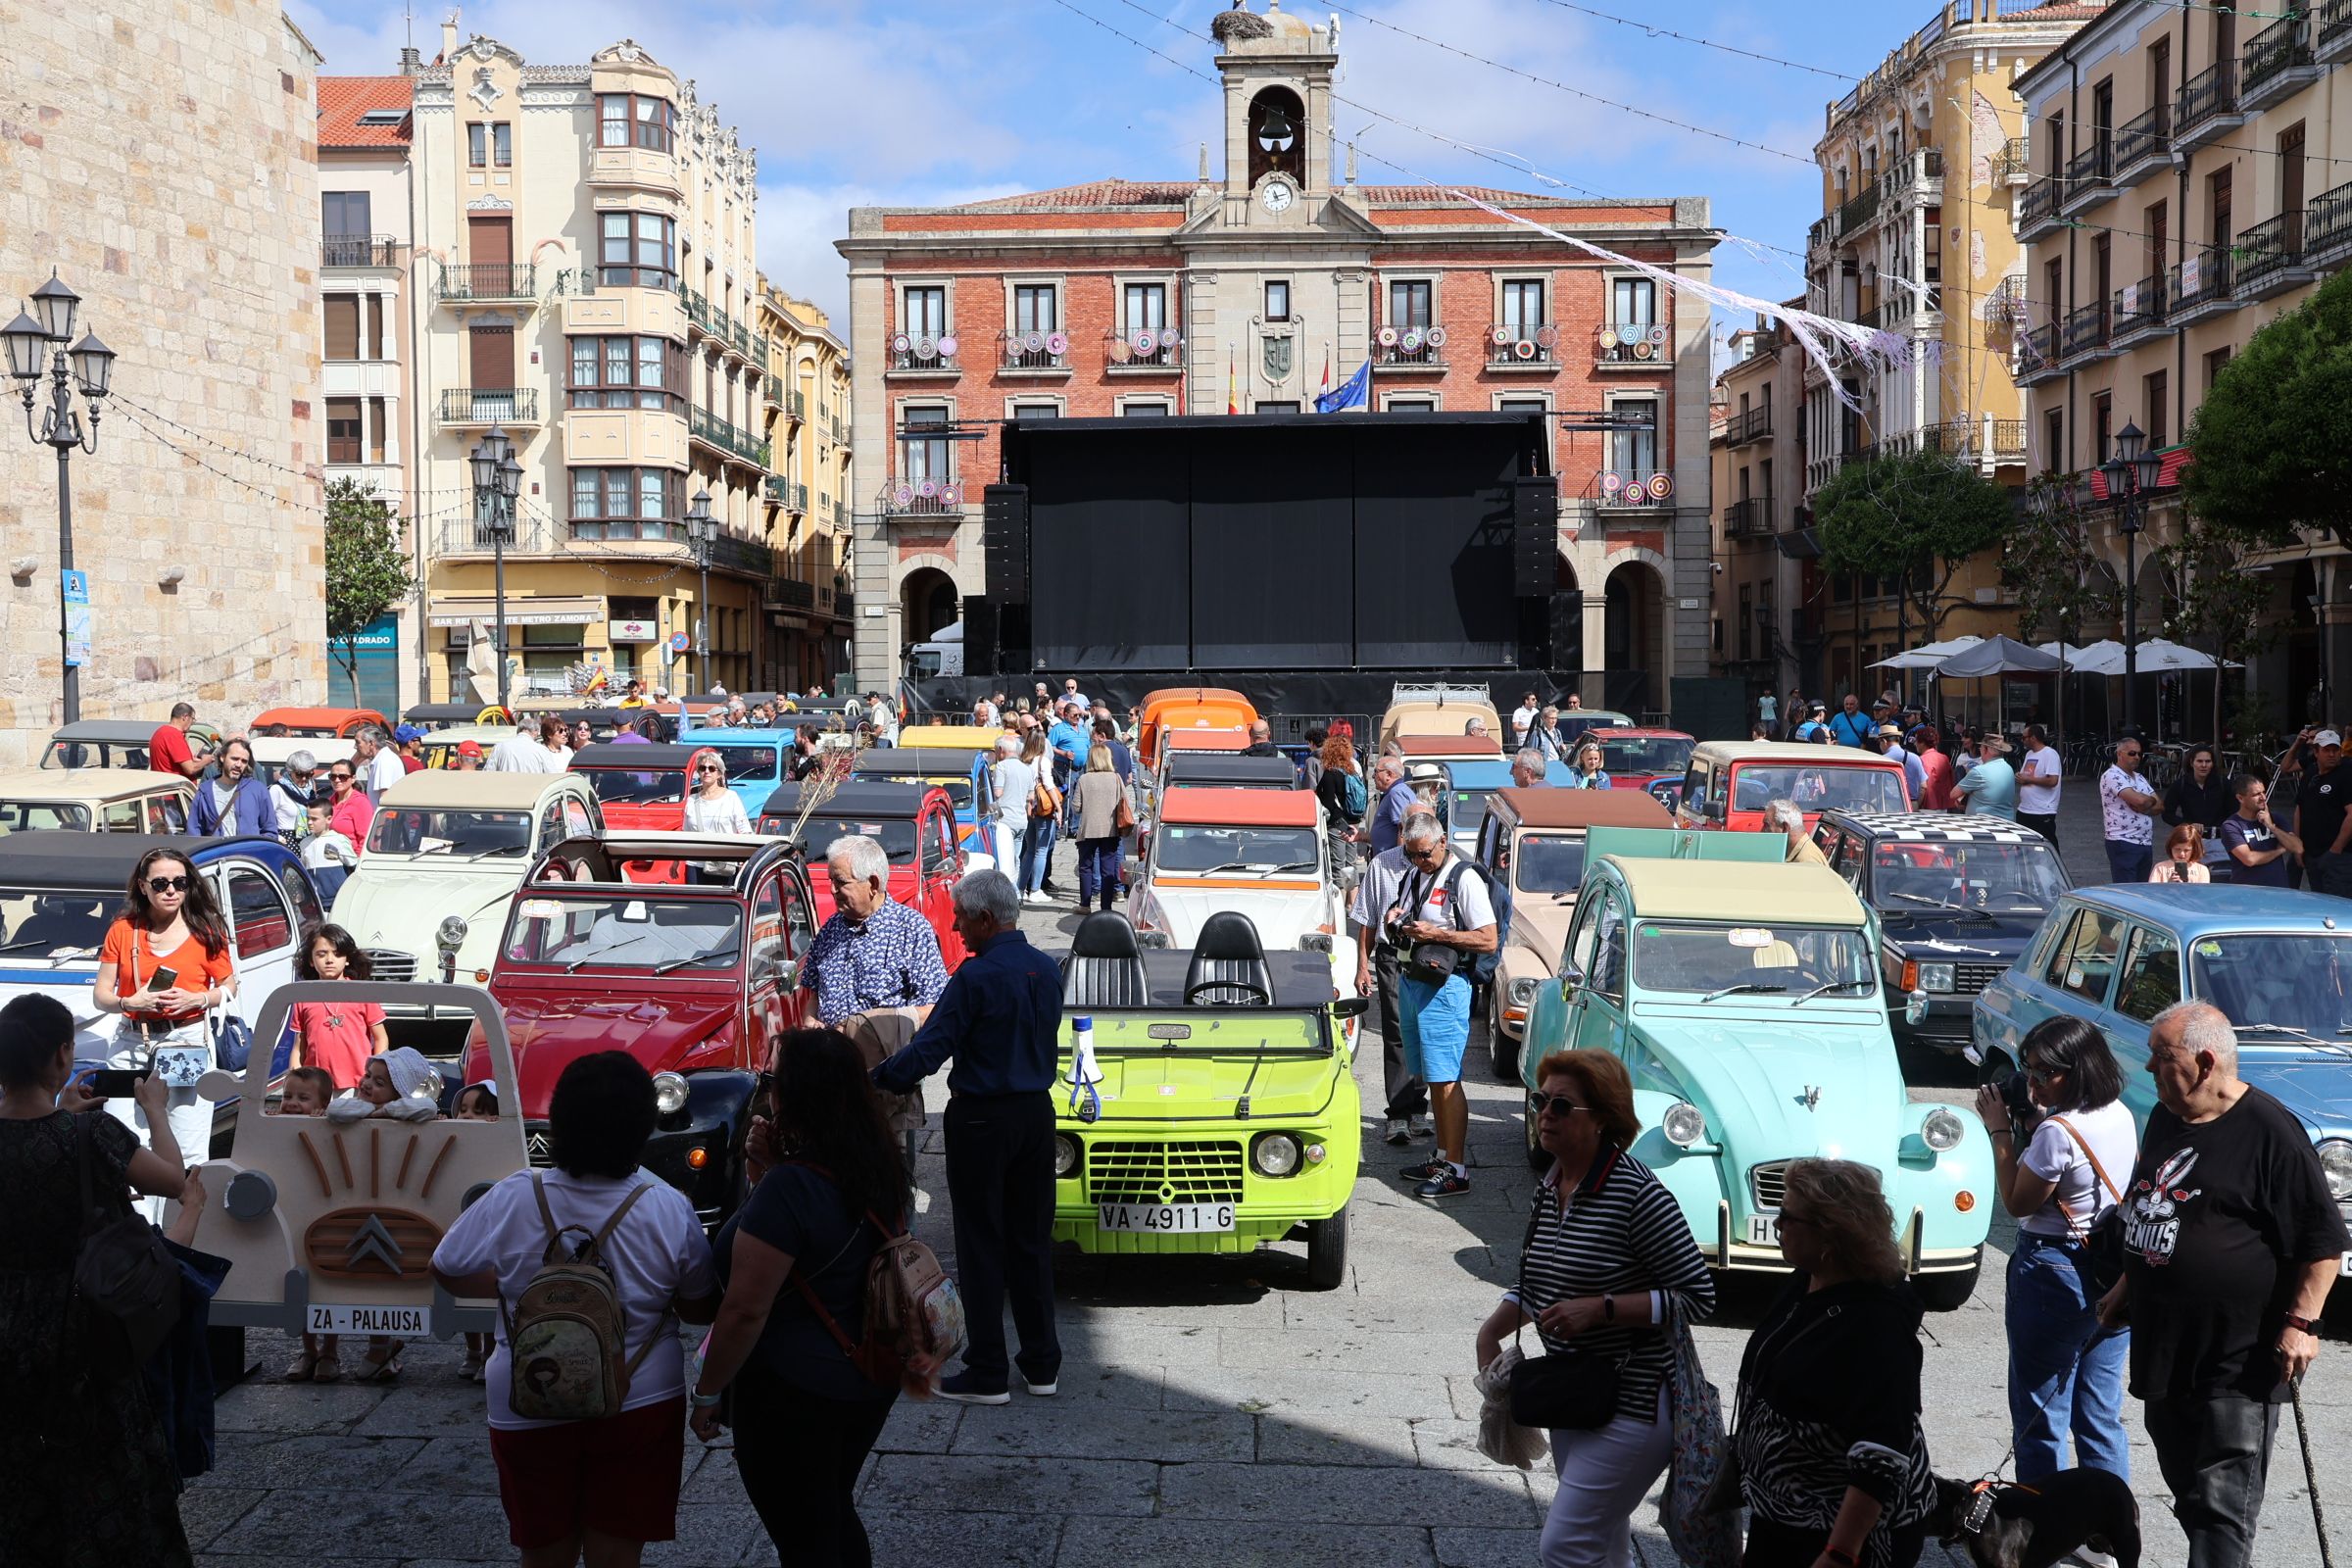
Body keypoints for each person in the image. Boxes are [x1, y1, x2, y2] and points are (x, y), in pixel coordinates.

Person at [432, 1053, 719, 1568]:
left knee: (542, 1554)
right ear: (642, 1124)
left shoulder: (516, 1194)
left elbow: (447, 1267)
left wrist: (514, 1287)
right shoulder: (666, 1204)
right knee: (616, 1556)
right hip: (638, 1397)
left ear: (561, 1119)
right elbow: (699, 1308)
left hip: (526, 1394)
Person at [2098, 1004, 2347, 1568]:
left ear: (2205, 1062)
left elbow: (2322, 1241)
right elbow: (2155, 1209)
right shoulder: (2168, 1116)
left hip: (2238, 1361)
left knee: (2221, 1510)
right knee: (2190, 1495)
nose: (2149, 1071)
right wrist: (2128, 1283)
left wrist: (2302, 1323)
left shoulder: (2271, 1132)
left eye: (2162, 1059)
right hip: (2165, 1349)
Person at [1475, 1050, 1714, 1568]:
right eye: (1541, 1101)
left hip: (1635, 1402)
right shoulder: (1552, 1185)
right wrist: (1494, 1326)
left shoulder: (1639, 1195)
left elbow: (1698, 1296)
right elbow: (1541, 1275)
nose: (1544, 1114)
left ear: (1603, 1119)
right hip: (1574, 1395)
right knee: (1601, 1543)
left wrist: (1601, 1310)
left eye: (1562, 1106)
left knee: (1564, 1546)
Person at [692, 1030, 915, 1565]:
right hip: (864, 1376)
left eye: (772, 1081)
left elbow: (746, 1308)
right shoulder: (879, 1167)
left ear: (796, 1096)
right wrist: (766, 1173)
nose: (767, 1091)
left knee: (805, 1534)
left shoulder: (790, 1188)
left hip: (792, 1392)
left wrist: (707, 1392)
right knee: (831, 1513)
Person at [0, 992, 195, 1568]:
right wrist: (155, 1110)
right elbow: (175, 1180)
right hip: (82, 1328)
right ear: (63, 1056)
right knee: (102, 1468)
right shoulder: (92, 1138)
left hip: (6, 1322)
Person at [872, 870, 1062, 1403]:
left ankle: (987, 1369)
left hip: (982, 1120)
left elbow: (928, 1051)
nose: (954, 927)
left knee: (981, 1243)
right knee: (1030, 1241)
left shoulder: (974, 979)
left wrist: (878, 1077)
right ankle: (1042, 1363)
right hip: (1034, 1115)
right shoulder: (1047, 970)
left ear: (985, 918)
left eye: (960, 917)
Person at [1733, 1158, 1939, 1568]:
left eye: (1787, 1216)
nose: (1776, 1225)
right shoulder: (1806, 1280)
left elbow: (1881, 1452)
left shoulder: (1876, 1326)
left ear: (1831, 1232)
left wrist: (1841, 1552)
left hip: (1843, 1534)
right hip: (1784, 1514)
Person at [1972, 1016, 2136, 1484]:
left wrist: (2001, 1132)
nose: (2033, 1083)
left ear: (2079, 1069)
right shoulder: (2119, 1113)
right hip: (2109, 1269)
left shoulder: (2057, 1133)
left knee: (2040, 1413)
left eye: (2047, 1073)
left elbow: (2018, 1202)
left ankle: (2039, 1526)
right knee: (2099, 1412)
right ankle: (2105, 1532)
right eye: (2029, 1071)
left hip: (2053, 1271)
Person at [93, 846, 235, 1211]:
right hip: (130, 1042)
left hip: (185, 1041)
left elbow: (229, 986)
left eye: (180, 883)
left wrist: (198, 1000)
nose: (171, 890)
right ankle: (138, 1230)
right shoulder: (123, 931)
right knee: (126, 1140)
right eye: (160, 883)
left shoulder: (206, 930)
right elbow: (101, 996)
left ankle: (180, 1235)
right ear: (143, 886)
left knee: (186, 1142)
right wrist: (130, 1003)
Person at [1390, 815, 1497, 1200]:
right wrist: (1397, 920)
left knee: (1447, 1077)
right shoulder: (1415, 875)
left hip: (1445, 987)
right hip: (1414, 980)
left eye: (1423, 854)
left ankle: (1456, 1168)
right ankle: (1440, 1156)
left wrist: (1437, 934)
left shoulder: (1463, 878)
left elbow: (1488, 939)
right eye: (1411, 855)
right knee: (1432, 1077)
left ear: (1443, 842)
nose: (1418, 861)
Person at [1352, 801, 1438, 1146]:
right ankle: (1399, 1114)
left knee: (1423, 1030)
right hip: (1391, 956)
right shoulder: (1381, 865)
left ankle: (1418, 1108)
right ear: (1401, 831)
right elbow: (1368, 921)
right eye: (1410, 828)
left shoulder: (1443, 867)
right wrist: (1363, 965)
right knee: (1397, 1030)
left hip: (1429, 956)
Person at [800, 836, 949, 1027]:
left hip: (887, 1055)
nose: (832, 889)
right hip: (831, 1053)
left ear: (873, 884)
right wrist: (810, 1021)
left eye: (840, 882)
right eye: (831, 880)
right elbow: (815, 995)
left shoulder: (911, 930)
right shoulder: (830, 930)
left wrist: (873, 1030)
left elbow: (934, 1008)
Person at [288, 923, 387, 1089]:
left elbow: (380, 1038)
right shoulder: (303, 996)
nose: (329, 960)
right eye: (321, 954)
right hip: (316, 1086)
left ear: (347, 959)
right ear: (311, 961)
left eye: (337, 954)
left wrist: (374, 1075)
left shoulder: (362, 992)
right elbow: (299, 1047)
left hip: (359, 1084)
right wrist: (294, 1081)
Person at [2294, 728, 2352, 896]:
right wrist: (2297, 845)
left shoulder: (2347, 773)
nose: (2332, 754)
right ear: (2316, 752)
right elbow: (2299, 808)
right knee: (2318, 904)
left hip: (2339, 857)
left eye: (2336, 750)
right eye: (2327, 750)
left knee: (2339, 908)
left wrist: (2335, 850)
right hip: (2312, 853)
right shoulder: (2311, 773)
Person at [1072, 743, 1129, 914]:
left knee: (1086, 867)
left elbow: (1076, 807)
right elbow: (1125, 801)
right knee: (1108, 869)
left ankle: (1085, 904)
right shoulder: (1116, 778)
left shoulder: (1084, 779)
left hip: (1088, 829)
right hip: (1110, 830)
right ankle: (1106, 907)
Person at [681, 747, 751, 883]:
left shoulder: (731, 797)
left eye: (711, 768)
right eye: (702, 768)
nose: (706, 771)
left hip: (725, 863)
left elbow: (745, 831)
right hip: (695, 865)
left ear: (719, 774)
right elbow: (685, 833)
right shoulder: (691, 800)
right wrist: (676, 862)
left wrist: (744, 860)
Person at [2219, 774, 2299, 889]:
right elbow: (2249, 859)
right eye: (2256, 794)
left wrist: (2271, 827)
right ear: (2240, 798)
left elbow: (2298, 847)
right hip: (2249, 893)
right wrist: (2280, 850)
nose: (2263, 797)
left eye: (2263, 792)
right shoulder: (2231, 826)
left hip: (2279, 891)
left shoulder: (2276, 818)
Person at [2099, 739, 2161, 883]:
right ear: (2120, 754)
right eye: (2132, 753)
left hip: (2145, 842)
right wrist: (2148, 801)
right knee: (2126, 891)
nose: (2137, 757)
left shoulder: (2140, 778)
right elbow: (2141, 801)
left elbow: (2161, 806)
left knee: (2141, 889)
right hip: (2123, 841)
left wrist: (2145, 805)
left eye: (2140, 754)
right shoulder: (2112, 775)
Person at [191, 737, 272, 837]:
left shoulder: (258, 790)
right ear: (222, 757)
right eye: (234, 759)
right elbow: (194, 830)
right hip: (216, 851)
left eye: (244, 761)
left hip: (247, 852)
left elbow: (270, 830)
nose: (239, 764)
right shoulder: (205, 791)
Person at [1016, 727, 1060, 905]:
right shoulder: (1043, 761)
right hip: (1042, 809)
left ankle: (1020, 888)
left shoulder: (1022, 761)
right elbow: (1048, 785)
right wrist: (1058, 807)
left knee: (1029, 851)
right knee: (1041, 850)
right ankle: (1035, 889)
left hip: (1028, 810)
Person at [2162, 743, 2232, 842]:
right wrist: (2188, 825)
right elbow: (2167, 814)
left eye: (2208, 761)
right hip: (2192, 838)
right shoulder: (2180, 784)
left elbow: (2234, 811)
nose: (2204, 765)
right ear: (2191, 763)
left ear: (2212, 763)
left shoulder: (2223, 783)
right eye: (2199, 761)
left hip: (2221, 838)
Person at [988, 733, 1034, 875]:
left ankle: (1008, 891)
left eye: (995, 750)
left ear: (1001, 749)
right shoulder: (1026, 768)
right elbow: (1031, 796)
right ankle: (1015, 893)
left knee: (1003, 860)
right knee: (1015, 859)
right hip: (1021, 819)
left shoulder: (1001, 767)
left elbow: (997, 793)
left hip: (1005, 820)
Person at [303, 799, 357, 906]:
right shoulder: (304, 843)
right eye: (308, 818)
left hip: (337, 901)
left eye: (314, 819)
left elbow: (354, 866)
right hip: (314, 902)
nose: (309, 822)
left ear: (329, 819)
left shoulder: (339, 840)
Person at [1953, 730, 2019, 820]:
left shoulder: (1979, 771)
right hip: (2006, 822)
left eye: (1981, 748)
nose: (1980, 750)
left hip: (1985, 826)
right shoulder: (2009, 769)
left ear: (1986, 749)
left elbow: (1953, 794)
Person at [2016, 723, 2063, 842]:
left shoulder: (2050, 754)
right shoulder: (2029, 754)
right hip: (2025, 808)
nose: (2022, 741)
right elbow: (2027, 774)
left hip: (2042, 810)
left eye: (2024, 737)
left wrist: (2028, 779)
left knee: (2046, 843)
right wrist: (2020, 777)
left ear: (2033, 738)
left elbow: (2053, 780)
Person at [148, 701, 213, 780]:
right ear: (185, 717)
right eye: (193, 719)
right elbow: (190, 769)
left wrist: (195, 760)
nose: (192, 723)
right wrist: (207, 760)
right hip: (175, 789)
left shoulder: (159, 732)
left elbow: (170, 763)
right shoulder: (174, 735)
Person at [323, 757, 375, 853]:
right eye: (333, 776)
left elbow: (366, 839)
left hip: (350, 860)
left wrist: (355, 863)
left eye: (342, 777)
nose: (337, 780)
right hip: (330, 859)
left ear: (353, 778)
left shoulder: (360, 803)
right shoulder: (329, 802)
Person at [1364, 754, 1413, 856]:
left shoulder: (1397, 793)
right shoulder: (1396, 791)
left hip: (1392, 863)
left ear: (1389, 775)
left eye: (1376, 771)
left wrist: (1400, 861)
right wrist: (1361, 836)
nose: (1373, 776)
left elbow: (1403, 828)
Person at [270, 748, 319, 841]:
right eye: (299, 774)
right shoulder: (277, 789)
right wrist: (277, 837)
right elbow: (266, 819)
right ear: (290, 771)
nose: (304, 778)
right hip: (287, 839)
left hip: (309, 838)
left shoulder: (311, 785)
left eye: (308, 774)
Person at [1765, 799, 1828, 865]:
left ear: (1785, 828)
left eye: (1766, 825)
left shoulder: (1808, 862)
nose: (1762, 831)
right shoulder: (1793, 852)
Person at [1910, 726, 1955, 811]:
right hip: (1943, 806)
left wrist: (1916, 806)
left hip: (1926, 807)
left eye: (1916, 741)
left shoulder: (1921, 760)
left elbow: (1923, 787)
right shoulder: (1944, 758)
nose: (1915, 744)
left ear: (1922, 742)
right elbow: (1951, 781)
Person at [349, 724, 402, 796]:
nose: (355, 746)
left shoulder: (384, 761)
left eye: (358, 742)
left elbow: (384, 797)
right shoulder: (382, 759)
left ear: (371, 743)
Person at [1880, 725, 1925, 807]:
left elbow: (1874, 787)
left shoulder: (1881, 760)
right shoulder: (1915, 758)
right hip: (1911, 803)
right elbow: (1924, 787)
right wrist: (1915, 805)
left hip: (1888, 805)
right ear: (1898, 739)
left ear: (1884, 741)